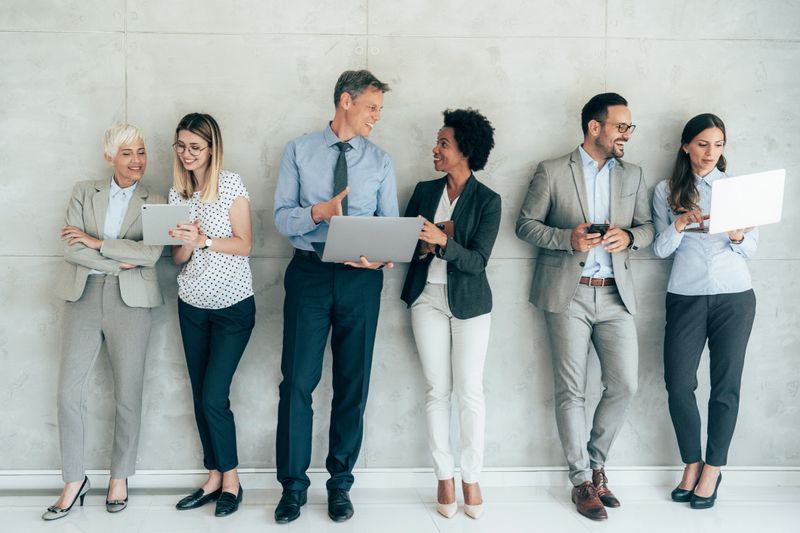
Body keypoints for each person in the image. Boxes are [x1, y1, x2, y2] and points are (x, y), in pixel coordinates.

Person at [515, 93, 654, 521]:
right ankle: (581, 481)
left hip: (616, 295)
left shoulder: (633, 173)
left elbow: (648, 227)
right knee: (571, 390)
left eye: (629, 127)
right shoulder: (552, 170)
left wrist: (628, 238)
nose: (626, 134)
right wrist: (567, 239)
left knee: (625, 384)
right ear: (595, 128)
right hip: (567, 294)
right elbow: (525, 225)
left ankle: (597, 464)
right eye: (620, 126)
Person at [272, 69, 398, 524]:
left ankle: (340, 485)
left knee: (352, 385)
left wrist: (381, 258)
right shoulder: (298, 151)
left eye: (379, 110)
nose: (376, 118)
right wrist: (318, 212)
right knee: (297, 384)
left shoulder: (381, 161)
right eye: (371, 108)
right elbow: (282, 220)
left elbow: (391, 228)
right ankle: (292, 488)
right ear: (346, 101)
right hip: (308, 275)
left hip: (361, 283)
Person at [43, 124, 164, 521]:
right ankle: (74, 480)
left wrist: (98, 243)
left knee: (128, 394)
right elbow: (70, 247)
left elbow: (150, 255)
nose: (137, 161)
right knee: (68, 393)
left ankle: (119, 477)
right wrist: (114, 260)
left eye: (142, 152)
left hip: (132, 302)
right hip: (82, 296)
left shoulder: (157, 200)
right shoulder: (83, 191)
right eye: (128, 153)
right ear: (110, 156)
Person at [652, 113, 757, 509]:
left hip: (735, 295)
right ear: (686, 146)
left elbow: (752, 248)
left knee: (725, 386)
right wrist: (677, 225)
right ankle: (691, 463)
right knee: (679, 384)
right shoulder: (665, 190)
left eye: (717, 144)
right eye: (701, 144)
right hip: (686, 295)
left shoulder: (737, 189)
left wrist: (737, 236)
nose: (709, 152)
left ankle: (712, 469)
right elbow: (659, 250)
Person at [401, 108, 500, 520]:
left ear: (465, 151)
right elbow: (401, 244)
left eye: (444, 143)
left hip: (470, 305)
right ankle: (444, 475)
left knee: (470, 392)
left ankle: (471, 477)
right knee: (436, 389)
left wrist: (443, 241)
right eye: (437, 142)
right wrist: (422, 246)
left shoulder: (488, 200)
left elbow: (477, 261)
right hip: (426, 298)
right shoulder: (424, 190)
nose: (435, 149)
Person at [168, 113, 255, 518]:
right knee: (199, 393)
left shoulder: (231, 185)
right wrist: (186, 243)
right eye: (182, 146)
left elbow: (244, 245)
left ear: (212, 149)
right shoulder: (177, 193)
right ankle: (215, 474)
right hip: (192, 305)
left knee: (213, 396)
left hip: (233, 306)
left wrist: (203, 239)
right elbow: (178, 258)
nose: (187, 154)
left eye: (195, 147)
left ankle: (232, 478)